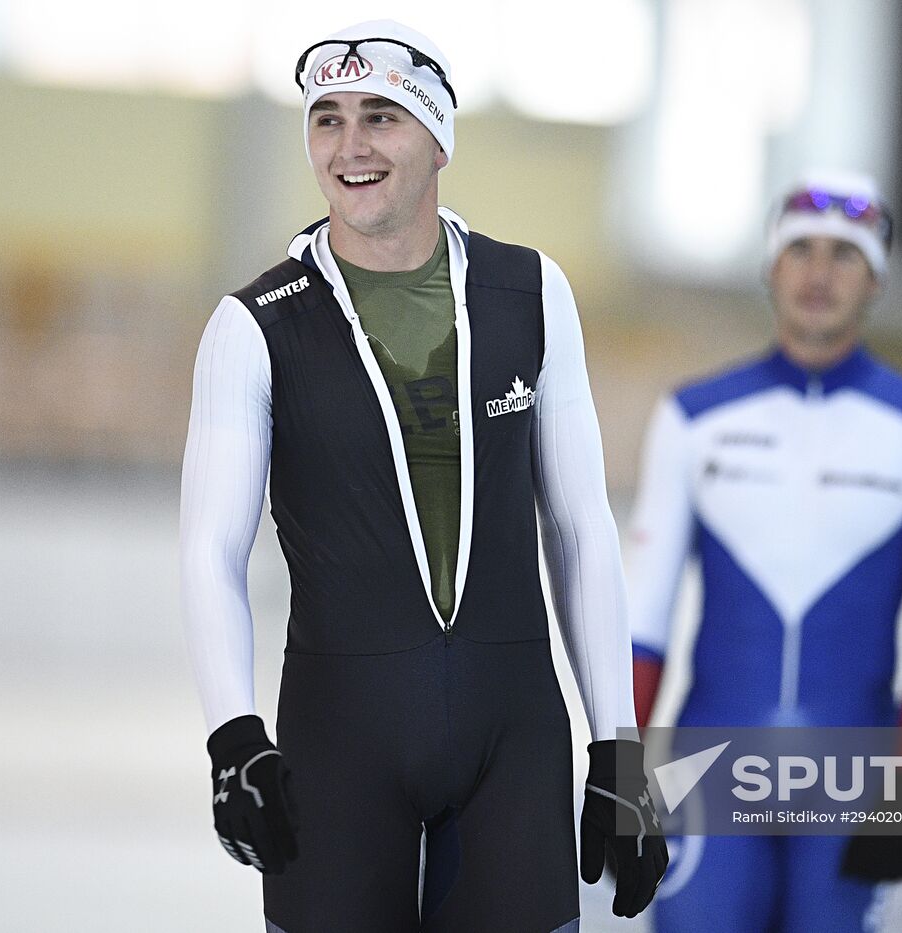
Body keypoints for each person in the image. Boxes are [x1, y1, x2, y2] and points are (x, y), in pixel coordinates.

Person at [178, 20, 666, 933]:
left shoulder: (530, 292)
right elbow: (210, 549)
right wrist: (233, 737)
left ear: (439, 137)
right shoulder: (252, 327)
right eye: (326, 119)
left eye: (380, 117)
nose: (350, 146)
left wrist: (619, 744)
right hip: (339, 744)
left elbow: (577, 526)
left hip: (511, 741)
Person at [627, 170, 902, 931]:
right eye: (800, 251)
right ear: (770, 267)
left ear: (877, 279)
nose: (819, 274)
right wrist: (620, 770)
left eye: (844, 256)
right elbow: (643, 621)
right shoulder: (692, 418)